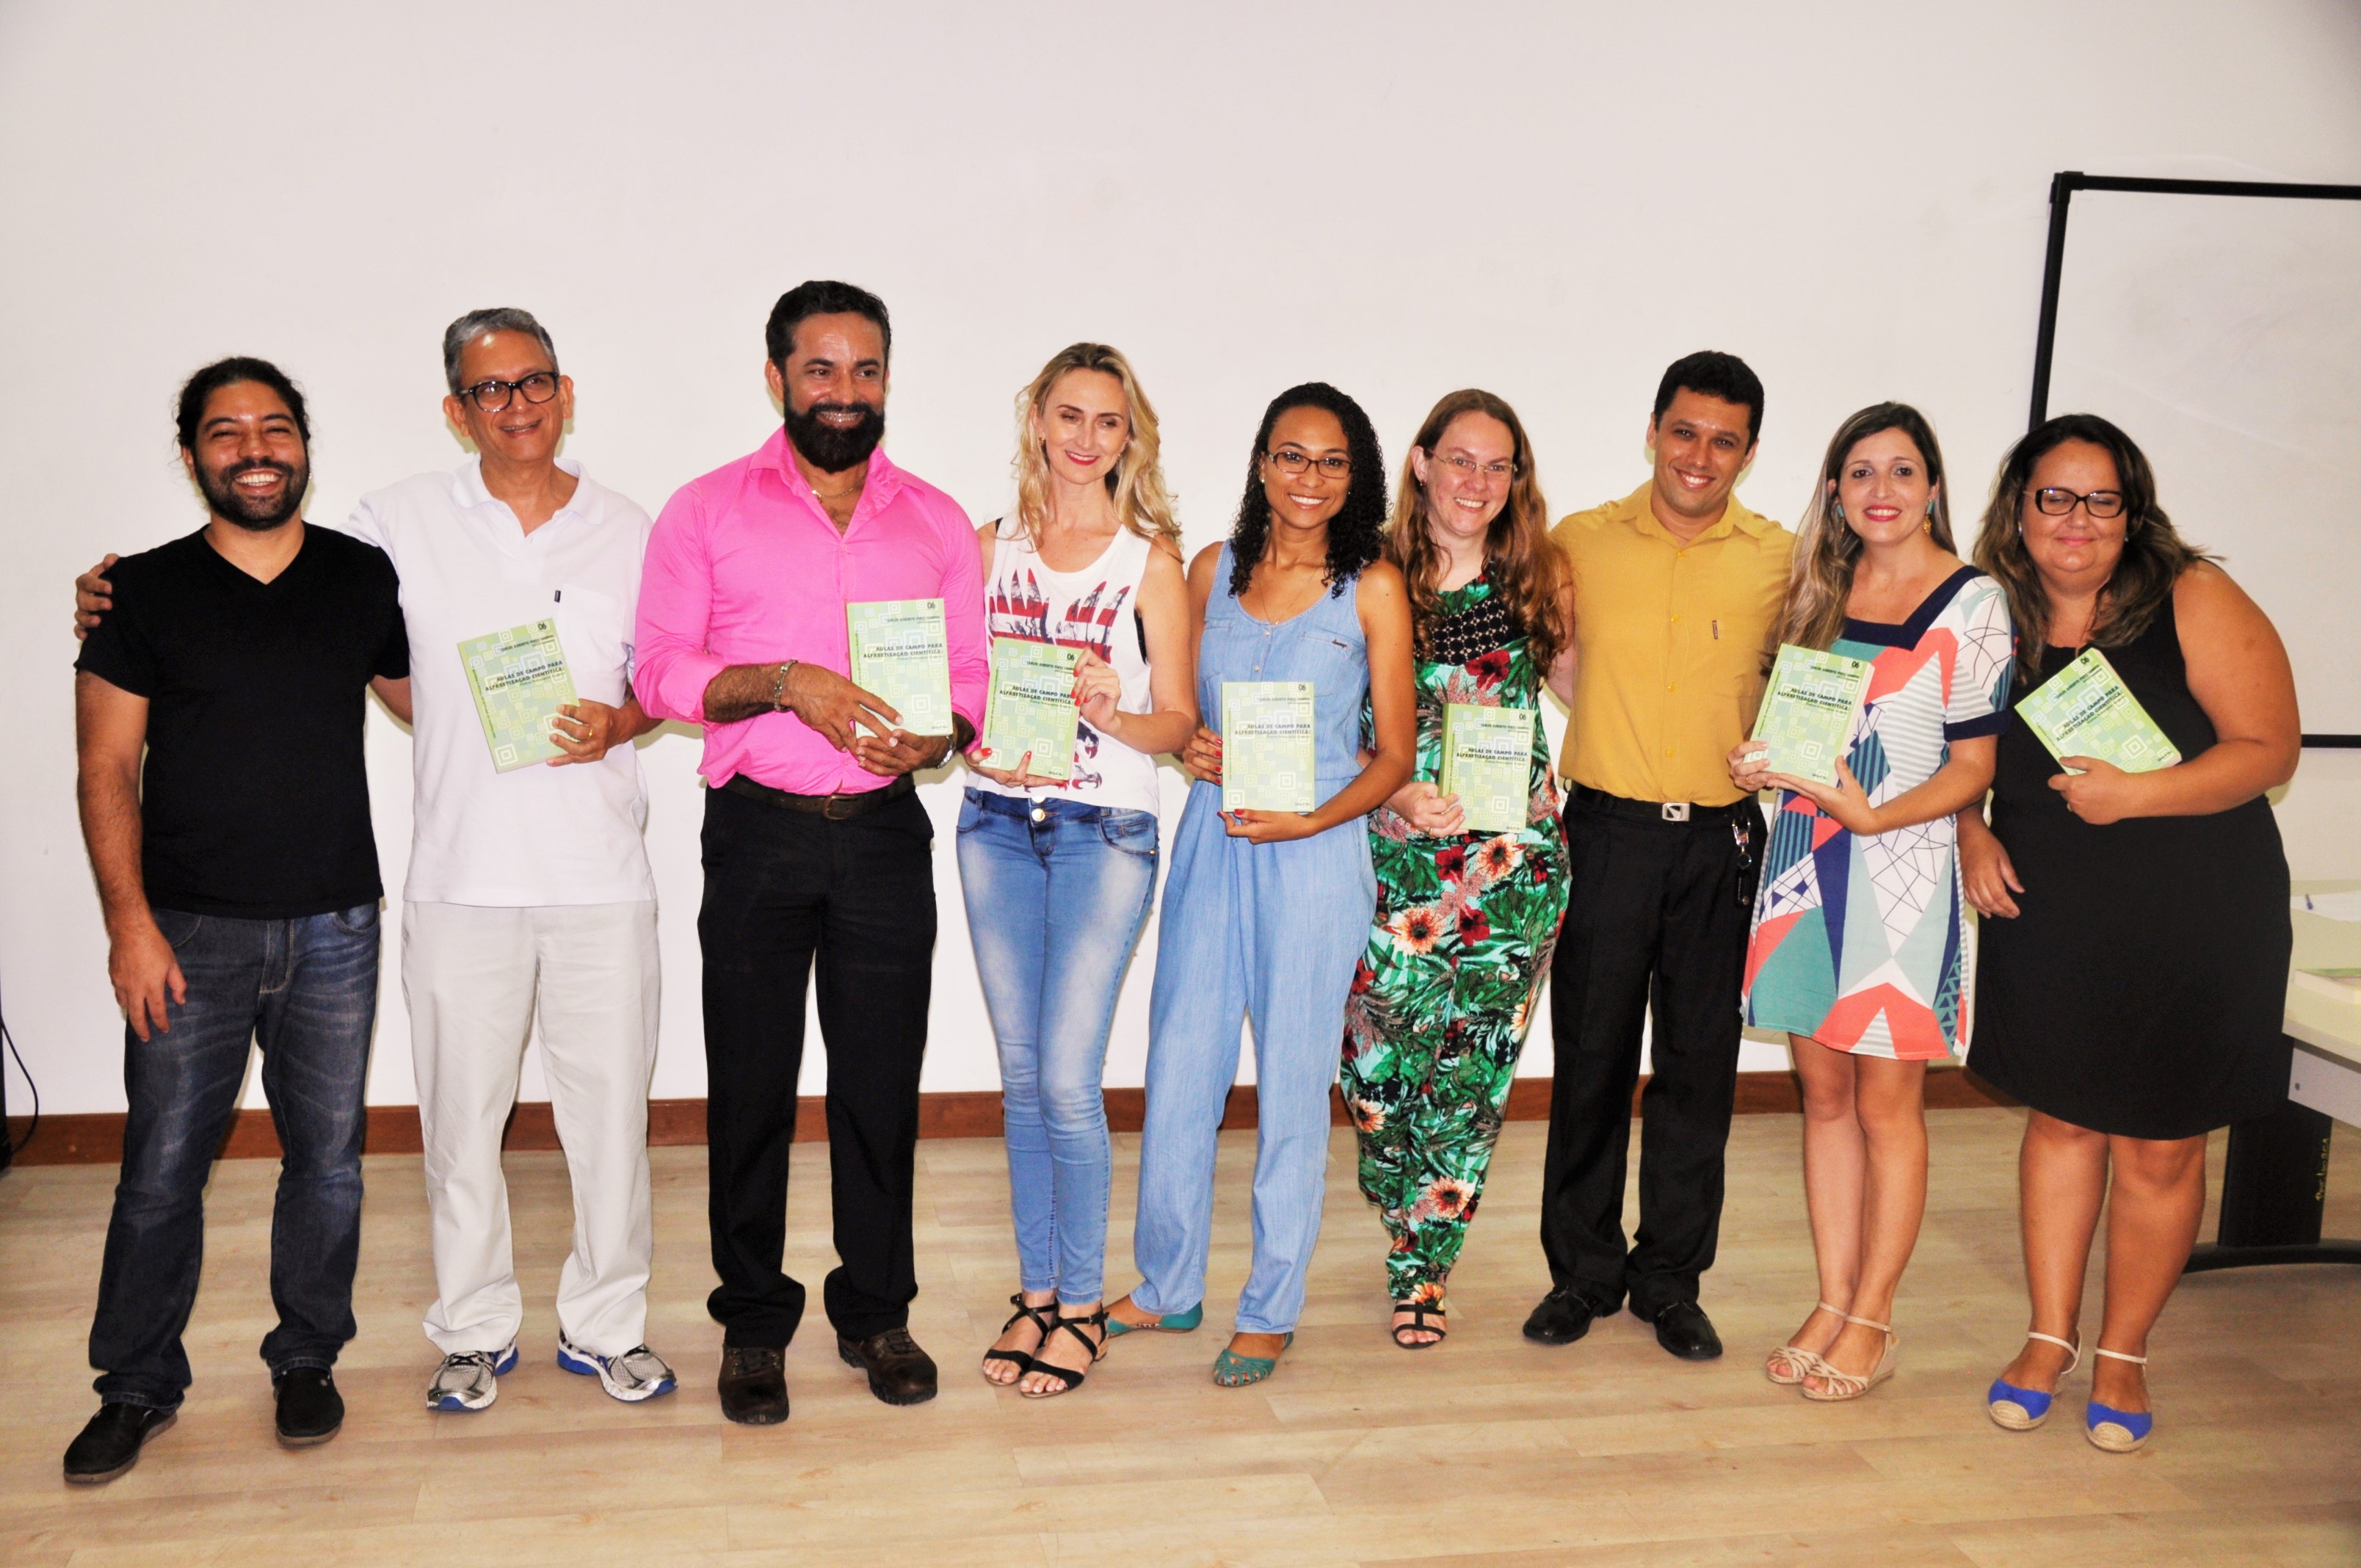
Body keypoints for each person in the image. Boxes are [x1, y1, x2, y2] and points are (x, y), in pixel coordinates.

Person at [78, 311, 678, 1415]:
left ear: (565, 392)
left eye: (534, 381)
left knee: (611, 1129)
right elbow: (270, 572)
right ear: (456, 410)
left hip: (600, 878)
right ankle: (472, 1331)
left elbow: (669, 681)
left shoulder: (634, 530)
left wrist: (622, 721)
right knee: (457, 1129)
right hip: (456, 881)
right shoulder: (390, 529)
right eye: (490, 389)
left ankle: (607, 1326)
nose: (517, 404)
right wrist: (114, 589)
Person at [633, 280, 989, 1423]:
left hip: (883, 834)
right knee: (750, 1090)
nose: (845, 391)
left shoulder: (936, 521)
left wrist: (945, 734)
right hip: (759, 834)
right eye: (822, 369)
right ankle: (752, 1323)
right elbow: (658, 671)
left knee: (880, 1090)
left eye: (866, 370)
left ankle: (876, 1311)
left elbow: (969, 676)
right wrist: (787, 683)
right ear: (777, 376)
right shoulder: (705, 511)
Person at [64, 359, 410, 1484]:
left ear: (304, 443)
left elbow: (435, 702)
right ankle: (135, 1384)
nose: (254, 450)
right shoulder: (139, 592)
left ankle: (306, 1357)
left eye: (274, 428)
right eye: (226, 432)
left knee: (329, 1164)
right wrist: (129, 926)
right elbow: (105, 768)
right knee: (161, 1168)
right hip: (187, 935)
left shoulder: (362, 576)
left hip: (336, 928)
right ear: (191, 455)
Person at [1962, 413, 2298, 1453]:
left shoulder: (2190, 595)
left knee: (2159, 1144)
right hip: (2052, 914)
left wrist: (2141, 793)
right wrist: (1969, 831)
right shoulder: (1988, 612)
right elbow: (1950, 750)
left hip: (2195, 915)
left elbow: (2269, 748)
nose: (2078, 518)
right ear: (2019, 508)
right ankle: (2047, 1338)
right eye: (2055, 496)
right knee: (2062, 1125)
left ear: (2132, 510)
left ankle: (2123, 1353)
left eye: (2102, 498)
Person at [1109, 382, 1417, 1388]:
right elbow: (1181, 712)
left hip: (1317, 857)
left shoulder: (1371, 588)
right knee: (1181, 1065)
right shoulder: (1212, 571)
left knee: (1291, 1083)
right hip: (1214, 842)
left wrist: (1313, 819)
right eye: (1292, 455)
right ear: (1262, 463)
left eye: (1331, 462)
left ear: (1356, 476)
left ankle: (1271, 1306)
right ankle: (1168, 1283)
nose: (1309, 478)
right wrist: (1190, 747)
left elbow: (1396, 756)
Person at [1728, 403, 2013, 1401]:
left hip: (1907, 873)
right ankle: (1832, 1297)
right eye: (1859, 472)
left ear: (1932, 487)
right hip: (1805, 862)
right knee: (1824, 1097)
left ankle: (1875, 1316)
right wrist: (1761, 762)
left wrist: (1877, 816)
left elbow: (1974, 765)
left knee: (1889, 1107)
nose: (1879, 491)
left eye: (1900, 471)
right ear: (1835, 491)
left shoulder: (1975, 601)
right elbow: (1800, 728)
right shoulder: (1819, 588)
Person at [1526, 351, 1793, 1362]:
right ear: (1652, 432)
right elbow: (1554, 661)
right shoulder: (1579, 542)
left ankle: (1671, 1282)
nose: (1700, 456)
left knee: (1697, 1070)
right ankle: (1582, 1274)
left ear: (1749, 454)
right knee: (1590, 1061)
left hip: (1721, 842)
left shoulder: (1781, 558)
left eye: (1725, 441)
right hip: (1607, 835)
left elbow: (1806, 679)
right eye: (1685, 432)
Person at [962, 345, 1197, 1398]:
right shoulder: (988, 548)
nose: (1086, 439)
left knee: (1066, 1079)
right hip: (994, 822)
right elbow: (955, 687)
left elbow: (1177, 722)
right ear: (1038, 422)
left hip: (1105, 828)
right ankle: (1037, 1292)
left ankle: (1085, 1305)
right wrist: (967, 733)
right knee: (1022, 1082)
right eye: (1069, 416)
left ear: (1129, 437)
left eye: (1108, 421)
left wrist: (1113, 709)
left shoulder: (1150, 563)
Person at [1340, 390, 1575, 1349]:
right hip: (1394, 864)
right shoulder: (1370, 576)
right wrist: (1394, 790)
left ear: (1515, 480)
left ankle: (1422, 1270)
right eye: (1460, 459)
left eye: (1497, 465)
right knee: (1374, 1076)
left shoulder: (1538, 583)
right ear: (1422, 463)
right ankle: (1402, 1210)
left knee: (1470, 1083)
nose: (1477, 481)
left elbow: (1593, 692)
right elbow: (1333, 721)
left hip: (1512, 876)